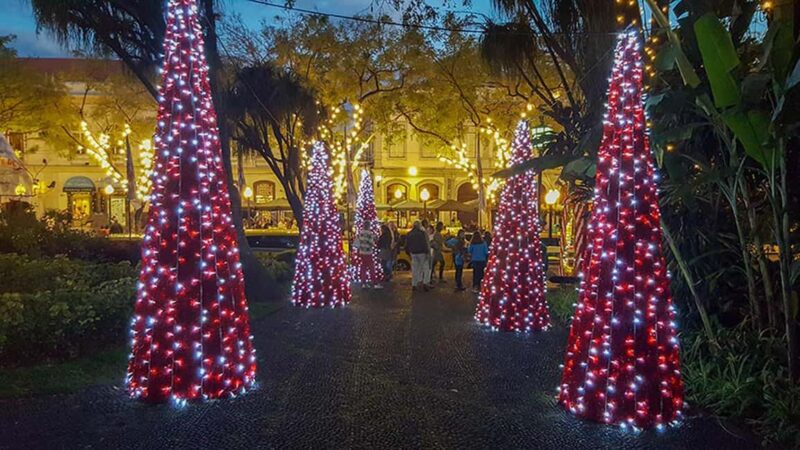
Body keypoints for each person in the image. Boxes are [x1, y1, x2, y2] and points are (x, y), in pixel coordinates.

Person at [355, 220, 383, 289]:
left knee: (363, 268)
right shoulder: (370, 234)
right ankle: (375, 283)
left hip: (361, 252)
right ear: (369, 226)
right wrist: (375, 241)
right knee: (371, 268)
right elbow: (372, 243)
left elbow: (356, 244)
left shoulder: (360, 233)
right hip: (368, 252)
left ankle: (363, 283)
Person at [405, 221, 431, 291]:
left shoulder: (409, 233)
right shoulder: (422, 233)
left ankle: (414, 284)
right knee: (425, 268)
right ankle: (425, 283)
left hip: (413, 253)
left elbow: (407, 244)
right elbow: (424, 243)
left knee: (415, 269)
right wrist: (427, 252)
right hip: (422, 252)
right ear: (419, 226)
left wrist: (408, 252)